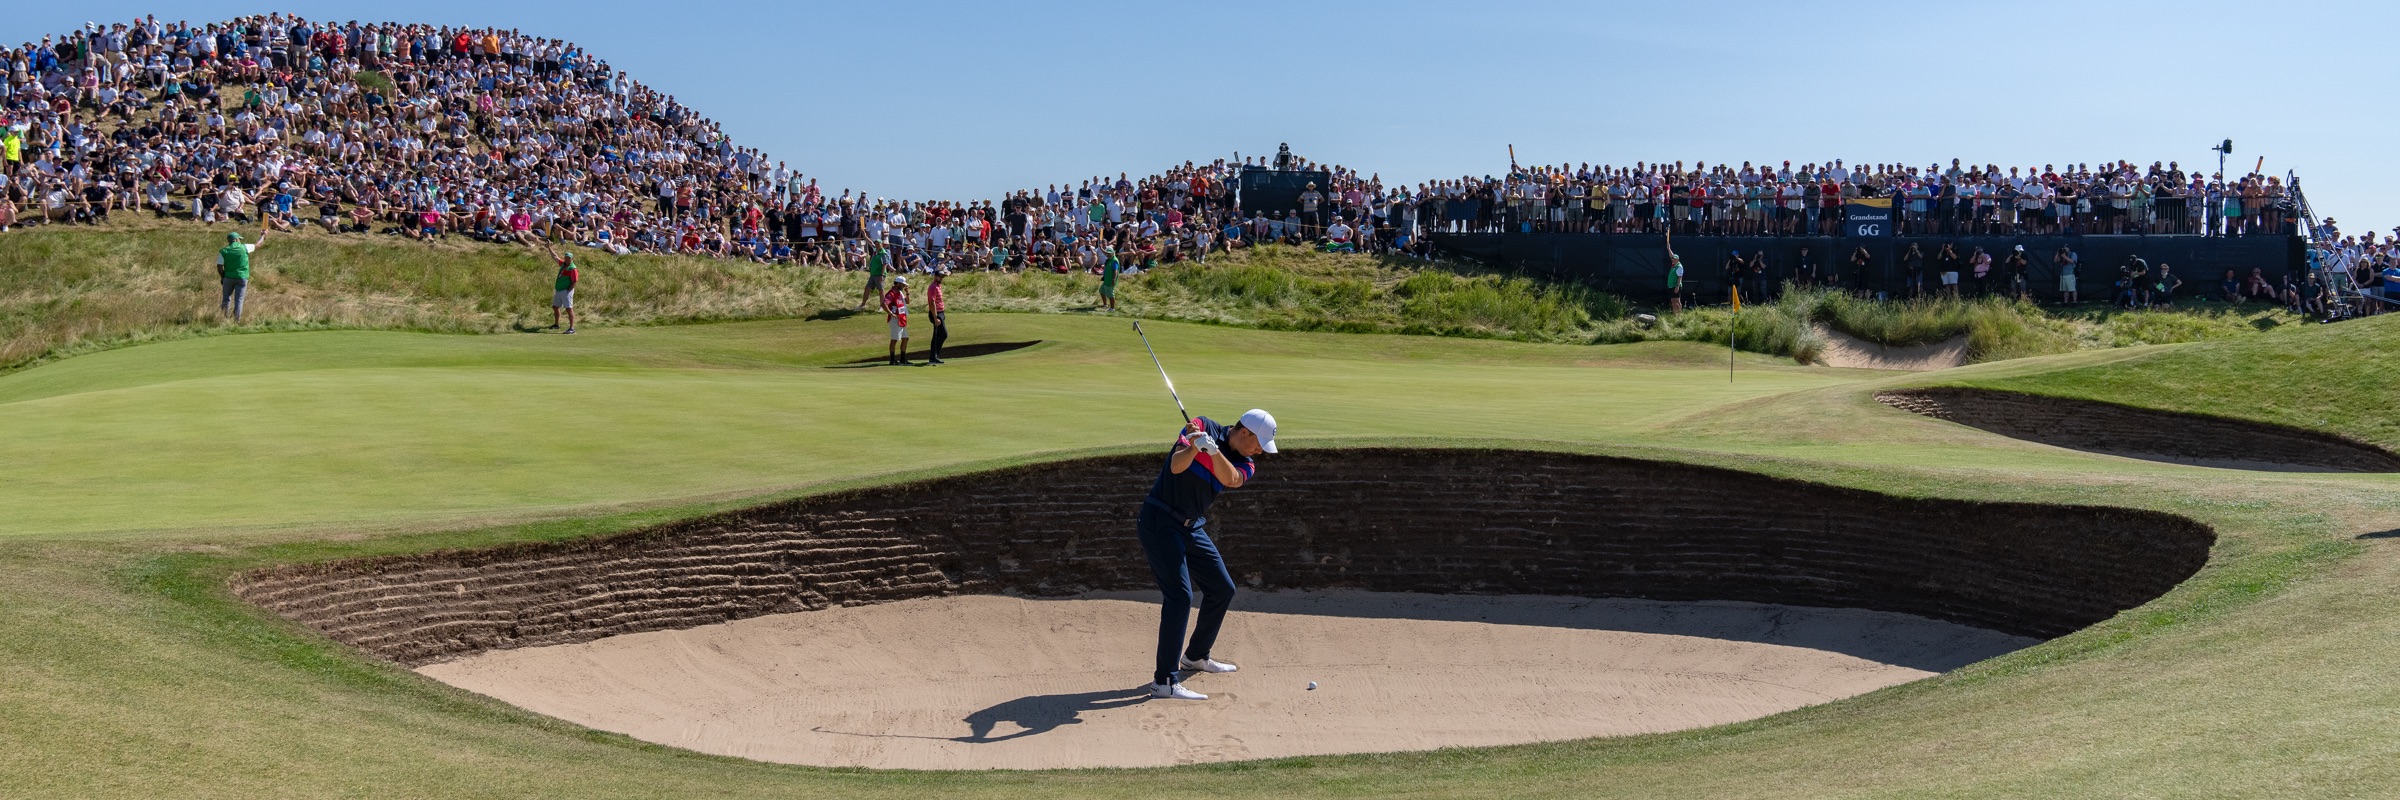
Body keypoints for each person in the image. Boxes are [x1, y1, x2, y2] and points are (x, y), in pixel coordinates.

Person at [1137, 408, 1278, 700]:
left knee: (1222, 589)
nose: (1259, 451)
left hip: (1191, 527)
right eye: (1258, 444)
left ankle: (1196, 656)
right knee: (1180, 596)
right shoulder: (1200, 425)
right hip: (1160, 520)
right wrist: (1194, 445)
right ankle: (1164, 682)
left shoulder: (1246, 461)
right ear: (1244, 432)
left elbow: (1232, 479)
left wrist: (1212, 452)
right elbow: (1176, 466)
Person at [217, 224, 269, 322]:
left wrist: (223, 276)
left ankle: (223, 319)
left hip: (228, 277)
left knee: (226, 298)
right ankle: (237, 320)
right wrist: (263, 236)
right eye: (239, 239)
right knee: (239, 300)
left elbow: (219, 266)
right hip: (242, 277)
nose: (240, 240)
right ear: (236, 240)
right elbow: (258, 244)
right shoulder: (244, 247)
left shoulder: (223, 251)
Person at [543, 241, 578, 333]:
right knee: (555, 307)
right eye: (566, 258)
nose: (567, 259)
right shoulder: (563, 264)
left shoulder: (572, 268)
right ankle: (556, 324)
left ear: (572, 259)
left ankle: (572, 328)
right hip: (559, 290)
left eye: (569, 258)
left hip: (566, 291)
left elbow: (574, 281)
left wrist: (568, 291)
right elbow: (555, 257)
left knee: (568, 308)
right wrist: (549, 248)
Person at [883, 274, 911, 365]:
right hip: (895, 319)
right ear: (898, 284)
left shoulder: (900, 293)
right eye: (902, 285)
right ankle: (892, 360)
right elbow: (884, 304)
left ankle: (903, 359)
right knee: (895, 339)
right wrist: (891, 313)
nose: (903, 286)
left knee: (905, 338)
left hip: (902, 318)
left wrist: (907, 292)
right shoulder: (891, 293)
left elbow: (907, 302)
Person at [924, 270, 948, 365]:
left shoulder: (938, 286)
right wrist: (935, 317)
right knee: (942, 334)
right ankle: (933, 357)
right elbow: (931, 302)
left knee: (939, 335)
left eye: (942, 276)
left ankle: (934, 357)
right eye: (940, 276)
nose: (941, 278)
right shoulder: (933, 287)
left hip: (940, 313)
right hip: (936, 313)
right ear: (935, 276)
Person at [858, 242, 887, 311]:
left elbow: (884, 264)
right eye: (876, 244)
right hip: (873, 274)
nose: (876, 245)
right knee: (867, 288)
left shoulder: (883, 254)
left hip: (879, 275)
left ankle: (882, 306)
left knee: (881, 290)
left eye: (878, 244)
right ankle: (863, 305)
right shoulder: (875, 251)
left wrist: (882, 275)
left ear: (881, 245)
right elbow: (870, 242)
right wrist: (864, 235)